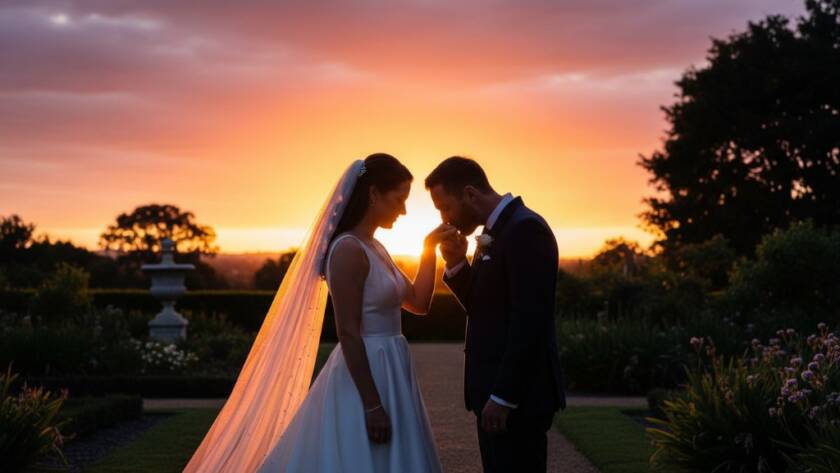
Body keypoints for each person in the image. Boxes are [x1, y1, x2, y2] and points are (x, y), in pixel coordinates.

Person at [426, 156, 567, 473]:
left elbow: (529, 321)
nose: (444, 219)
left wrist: (504, 396)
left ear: (470, 194)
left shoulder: (525, 229)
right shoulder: (495, 231)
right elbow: (484, 308)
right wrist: (457, 264)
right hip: (492, 395)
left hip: (518, 400)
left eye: (445, 207)